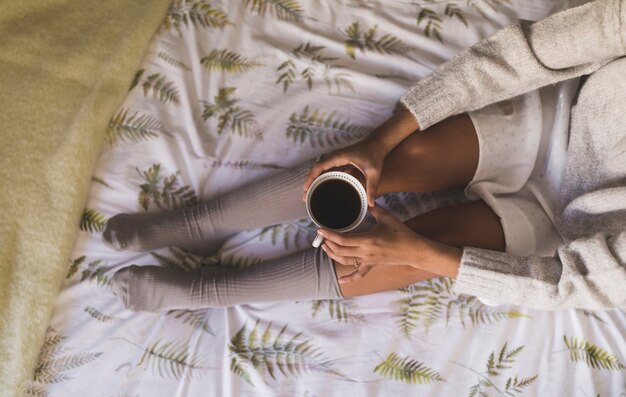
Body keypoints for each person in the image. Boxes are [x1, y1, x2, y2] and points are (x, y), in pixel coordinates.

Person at [104, 0, 626, 312]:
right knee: (387, 163)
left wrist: (416, 252)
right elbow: (522, 55)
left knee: (406, 255)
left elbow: (574, 285)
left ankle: (212, 290)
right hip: (557, 117)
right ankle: (202, 223)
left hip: (570, 230)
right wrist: (380, 141)